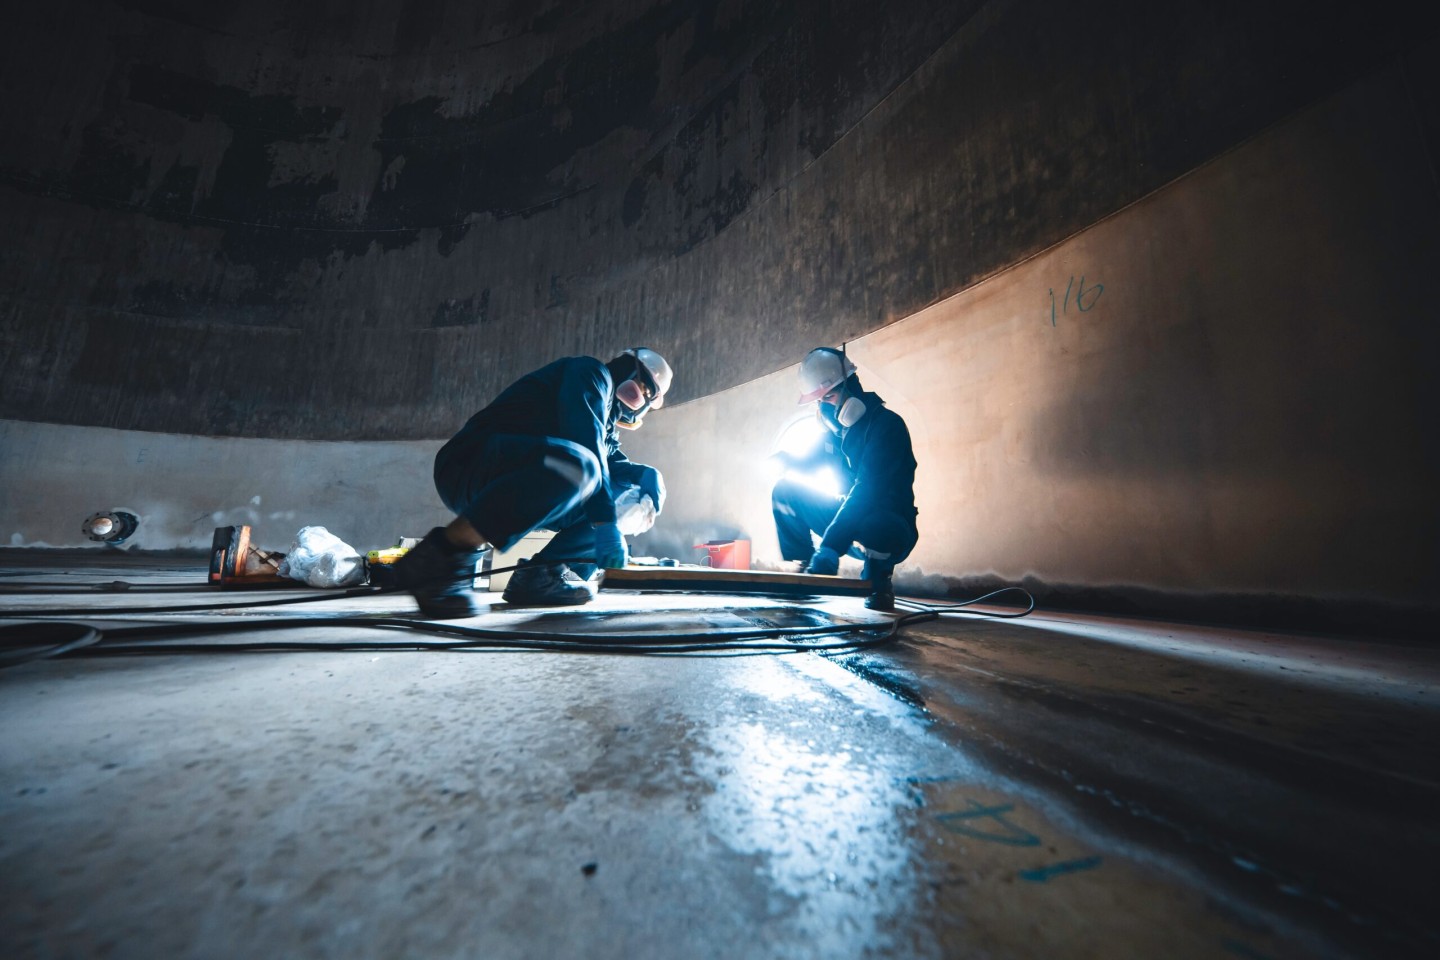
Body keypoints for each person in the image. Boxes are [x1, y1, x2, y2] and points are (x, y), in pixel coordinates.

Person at [393, 348, 672, 618]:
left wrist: (645, 476)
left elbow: (607, 459)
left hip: (518, 474)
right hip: (470, 462)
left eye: (647, 398)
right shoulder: (589, 373)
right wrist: (606, 523)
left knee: (626, 493)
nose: (640, 400)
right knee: (583, 469)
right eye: (643, 391)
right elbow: (586, 440)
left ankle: (543, 576)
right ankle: (441, 555)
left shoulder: (607, 424)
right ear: (627, 370)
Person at [770, 347, 917, 611]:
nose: (824, 408)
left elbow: (867, 491)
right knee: (785, 492)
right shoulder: (835, 435)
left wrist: (830, 546)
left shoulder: (887, 427)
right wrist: (787, 460)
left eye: (829, 397)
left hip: (889, 521)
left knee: (879, 524)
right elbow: (810, 462)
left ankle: (878, 578)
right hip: (850, 518)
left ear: (852, 388)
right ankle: (805, 567)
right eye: (819, 401)